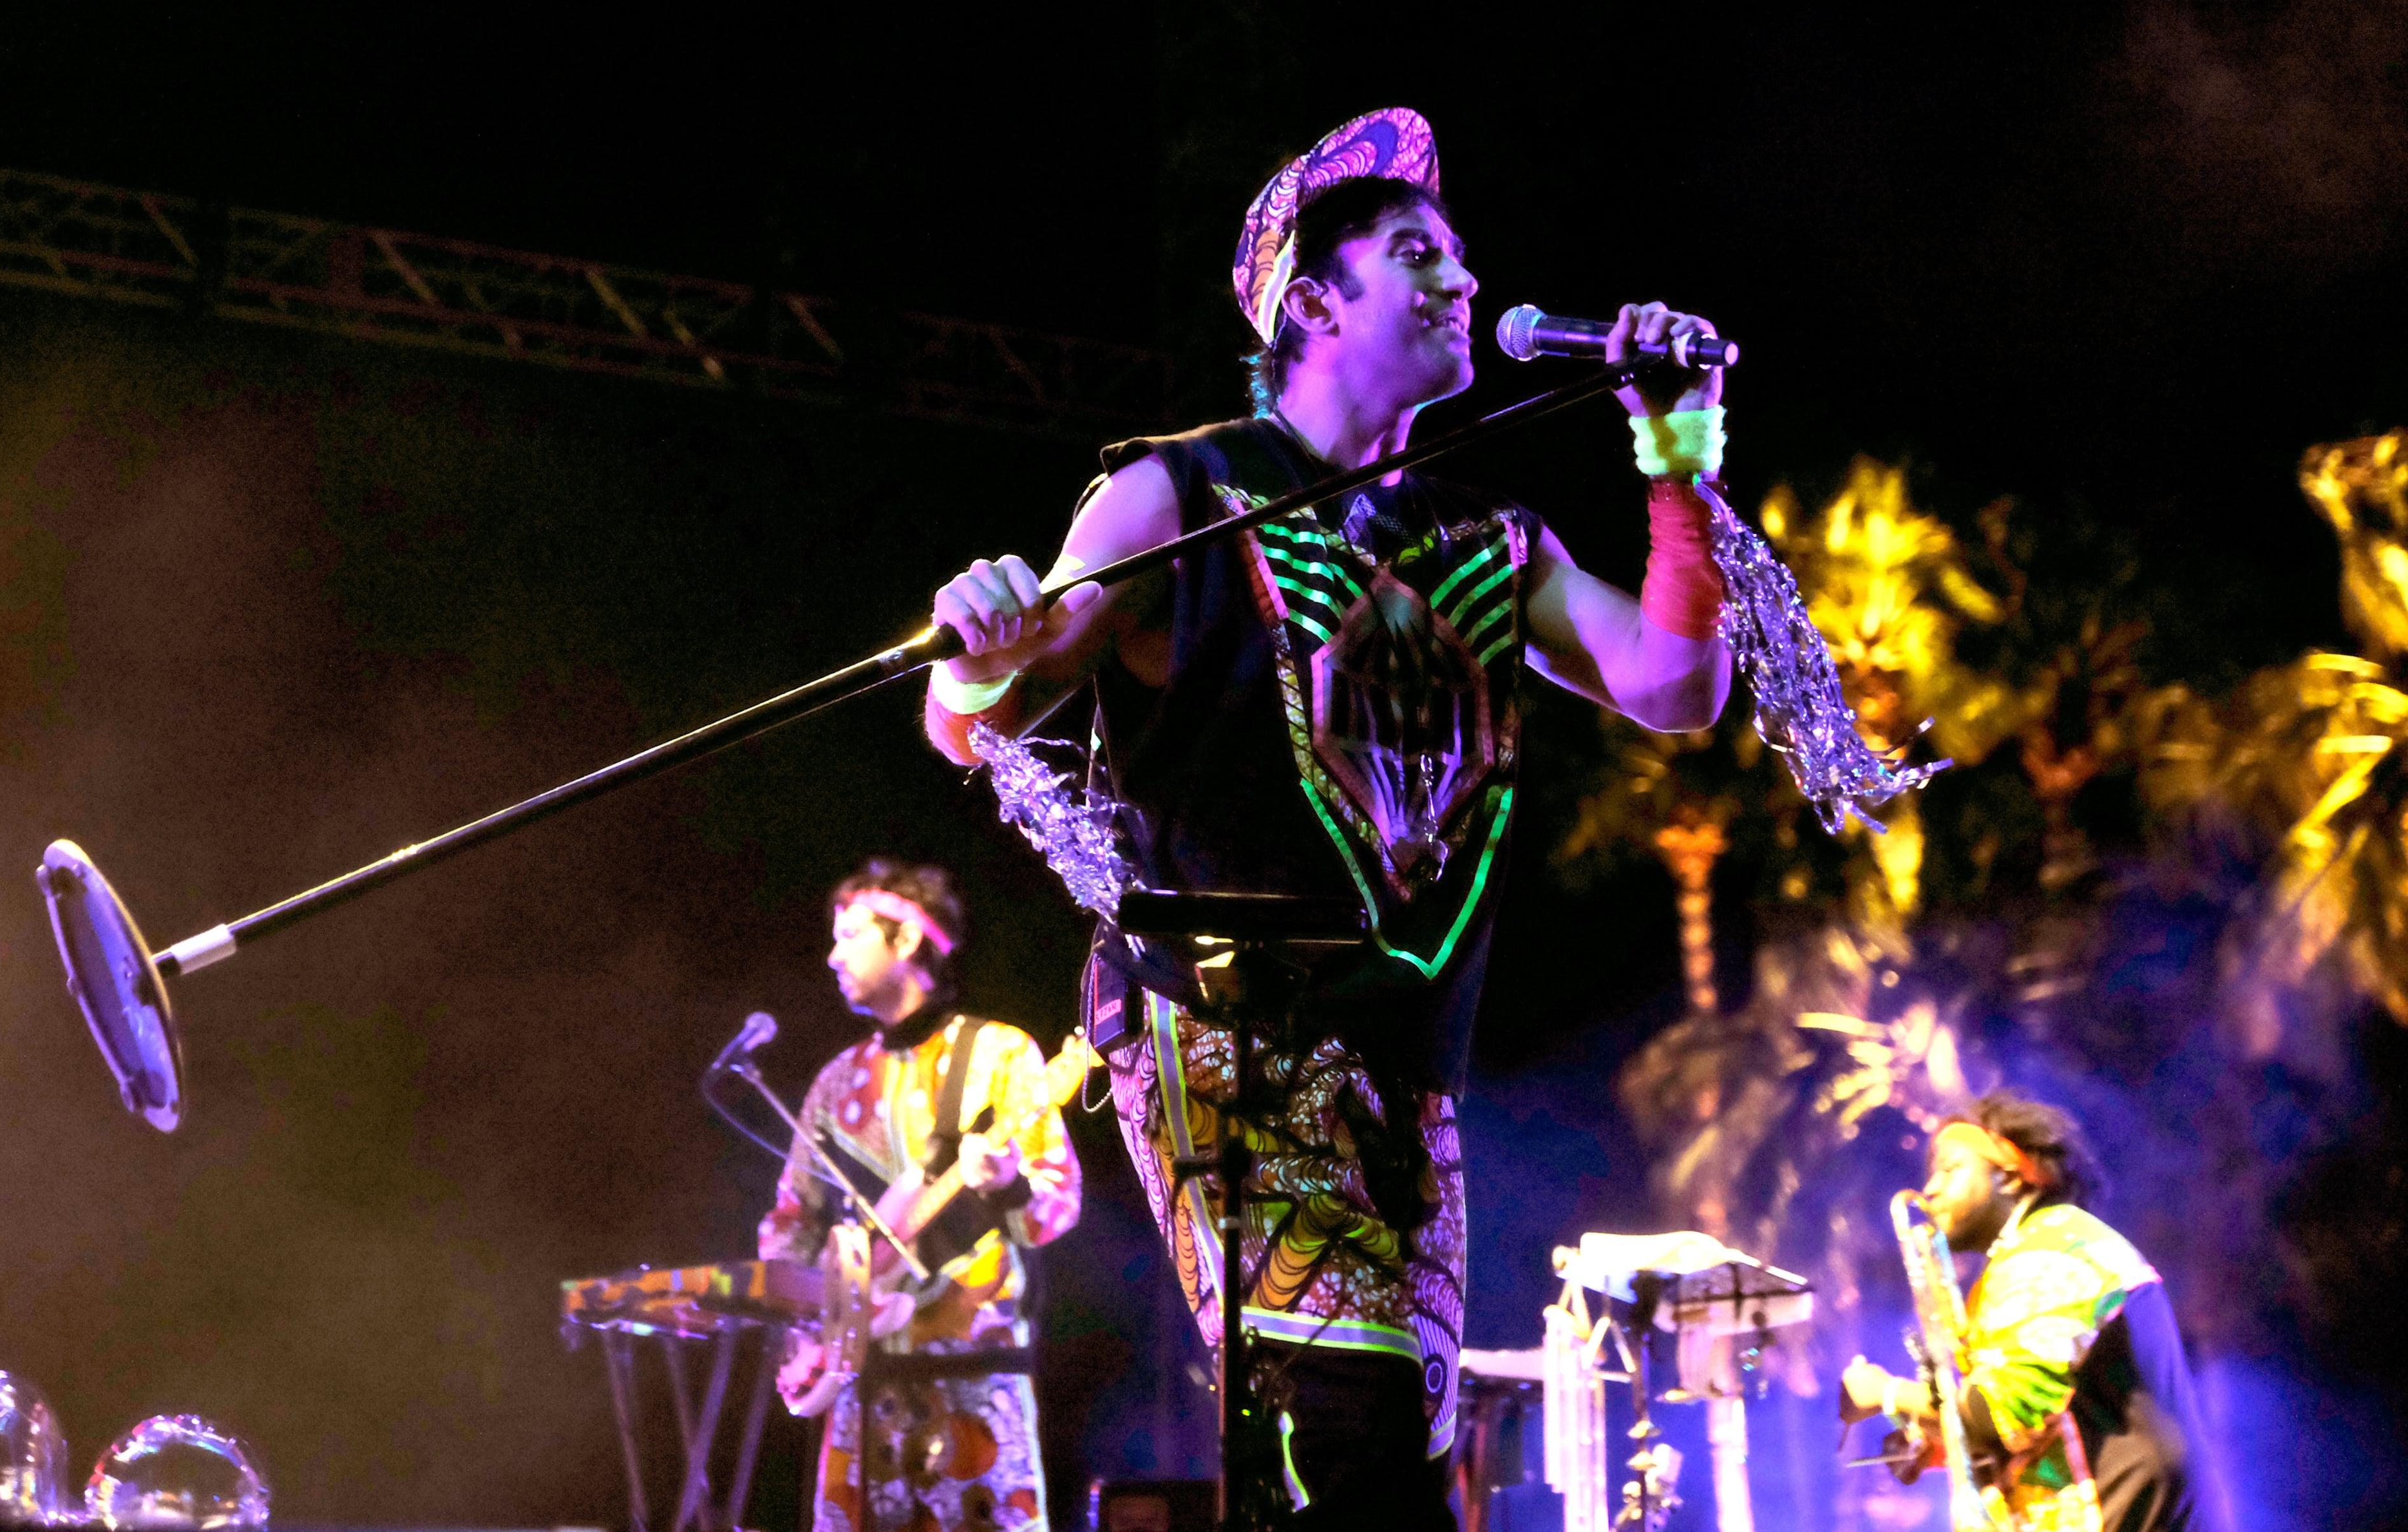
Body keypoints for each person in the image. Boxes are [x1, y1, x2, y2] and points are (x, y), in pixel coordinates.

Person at [918, 108, 1733, 1527]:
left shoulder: (1492, 540)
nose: (1463, 282)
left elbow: (1674, 683)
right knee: (1354, 1450)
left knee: (1394, 1472)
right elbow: (978, 712)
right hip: (1227, 1049)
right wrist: (980, 637)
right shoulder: (1181, 493)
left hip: (1404, 1084)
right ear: (1313, 302)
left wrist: (1677, 467)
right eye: (1419, 253)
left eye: (1461, 257)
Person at [758, 858, 1082, 1532]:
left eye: (850, 934)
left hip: (978, 1379)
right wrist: (799, 1331)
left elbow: (1056, 1205)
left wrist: (1005, 1182)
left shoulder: (1002, 1055)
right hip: (863, 1386)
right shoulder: (835, 1082)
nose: (832, 954)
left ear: (906, 941)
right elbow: (792, 1219)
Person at [1841, 1092, 2223, 1532]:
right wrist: (1941, 1444)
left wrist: (1884, 1392)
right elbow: (2040, 1423)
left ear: (2010, 1177)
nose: (1931, 1188)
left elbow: (1996, 1415)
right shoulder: (2023, 1258)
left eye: (1951, 1169)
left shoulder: (2053, 1252)